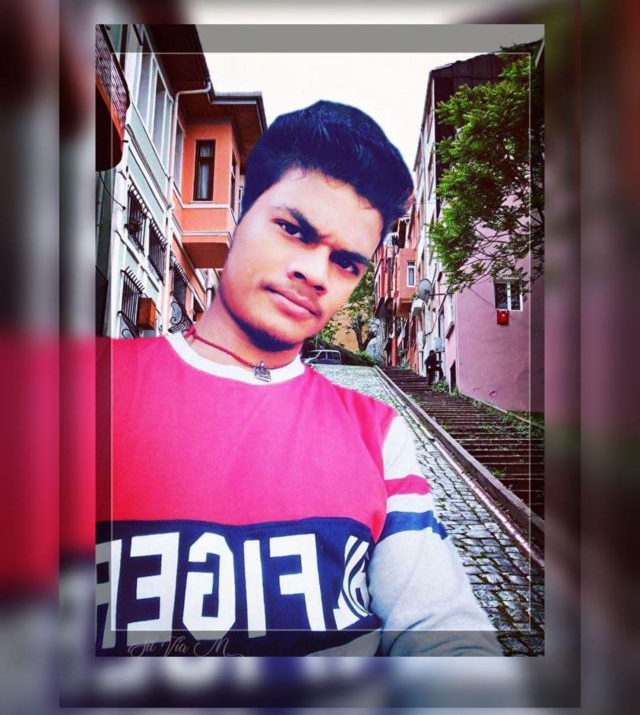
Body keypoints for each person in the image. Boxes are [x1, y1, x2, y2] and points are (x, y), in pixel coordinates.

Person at [96, 101, 497, 657]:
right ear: (242, 213)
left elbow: (443, 634)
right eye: (292, 229)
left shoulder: (377, 434)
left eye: (346, 263)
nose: (314, 273)